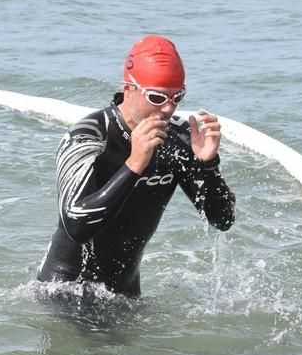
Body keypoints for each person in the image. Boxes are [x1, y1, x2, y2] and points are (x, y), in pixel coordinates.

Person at [37, 35, 235, 296]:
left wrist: (207, 165)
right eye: (156, 97)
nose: (168, 108)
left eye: (177, 97)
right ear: (128, 88)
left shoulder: (178, 138)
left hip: (126, 294)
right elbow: (76, 225)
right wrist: (133, 165)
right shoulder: (89, 135)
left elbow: (222, 220)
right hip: (63, 290)